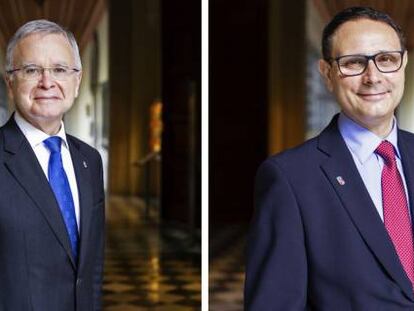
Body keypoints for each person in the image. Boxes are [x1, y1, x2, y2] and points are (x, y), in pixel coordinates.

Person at [245, 6, 414, 310]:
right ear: (327, 73)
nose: (373, 77)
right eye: (354, 63)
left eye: (387, 59)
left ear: (402, 65)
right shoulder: (290, 179)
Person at [0, 20, 105, 310]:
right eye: (32, 70)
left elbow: (92, 267)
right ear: (10, 82)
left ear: (77, 80)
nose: (48, 82)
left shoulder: (90, 161)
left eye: (59, 69)